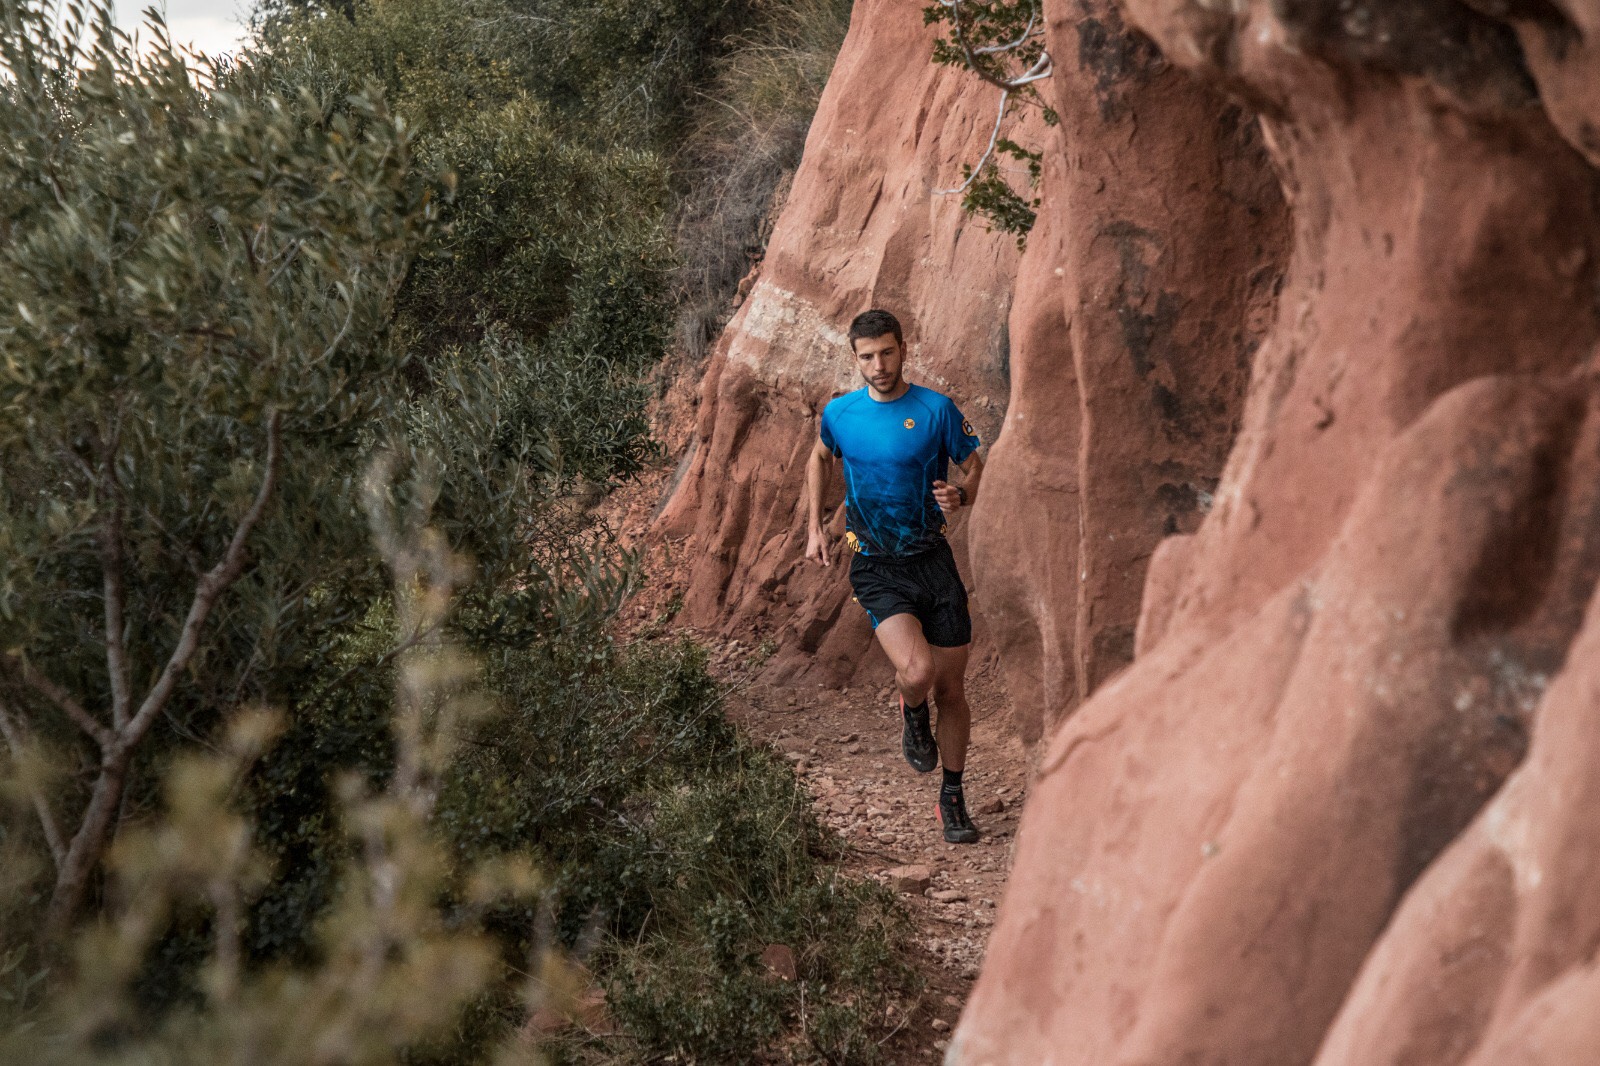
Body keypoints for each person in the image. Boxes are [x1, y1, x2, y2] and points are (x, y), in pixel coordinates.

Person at [804, 309, 986, 844]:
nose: (878, 365)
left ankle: (952, 797)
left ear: (903, 349)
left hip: (934, 561)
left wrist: (964, 494)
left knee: (952, 688)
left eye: (886, 353)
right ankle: (911, 712)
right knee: (917, 671)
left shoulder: (936, 410)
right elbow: (819, 459)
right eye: (866, 356)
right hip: (877, 564)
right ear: (854, 358)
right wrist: (814, 524)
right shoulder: (841, 414)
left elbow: (977, 465)